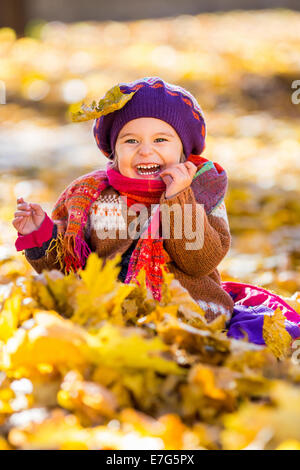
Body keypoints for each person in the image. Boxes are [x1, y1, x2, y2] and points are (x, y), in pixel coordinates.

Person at [12, 76, 300, 342]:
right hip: (109, 315)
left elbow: (199, 262)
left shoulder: (202, 193)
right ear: (114, 151)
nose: (146, 150)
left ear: (183, 151)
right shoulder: (91, 197)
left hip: (189, 315)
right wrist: (40, 235)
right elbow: (67, 270)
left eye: (160, 139)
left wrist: (179, 199)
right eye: (131, 141)